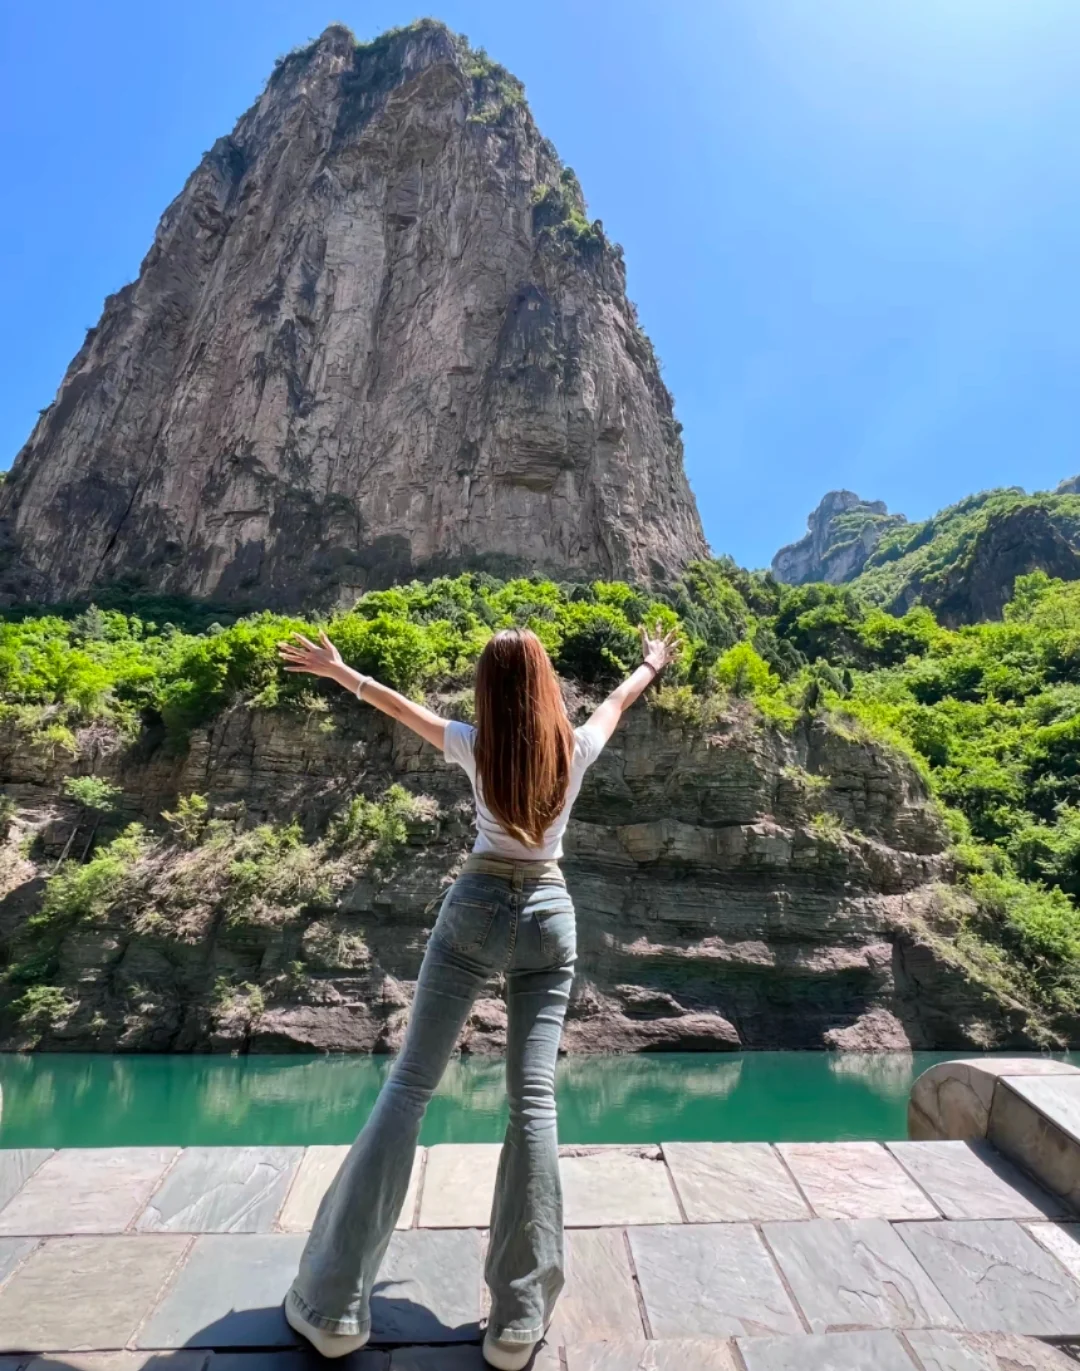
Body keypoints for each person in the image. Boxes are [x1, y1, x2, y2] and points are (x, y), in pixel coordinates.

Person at [276, 621, 680, 1369]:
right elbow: (619, 702)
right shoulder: (577, 749)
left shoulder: (473, 743)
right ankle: (517, 1322)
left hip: (476, 906)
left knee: (409, 1088)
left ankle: (334, 1308)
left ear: (488, 692)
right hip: (551, 916)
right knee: (533, 1103)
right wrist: (651, 662)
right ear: (548, 683)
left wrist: (340, 671)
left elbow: (399, 709)